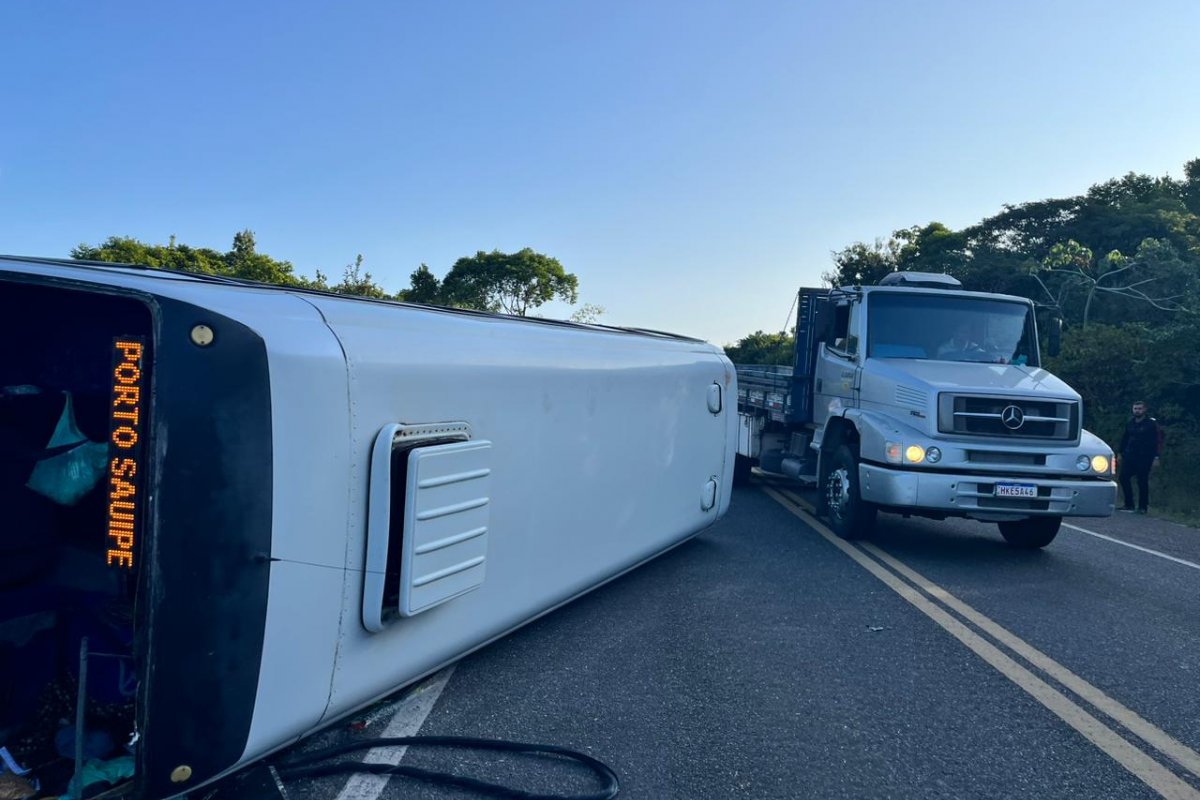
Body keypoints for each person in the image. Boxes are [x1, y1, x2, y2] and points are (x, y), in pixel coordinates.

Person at [1117, 400, 1164, 514]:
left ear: (1144, 410)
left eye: (1139, 408)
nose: (1137, 411)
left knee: (1142, 481)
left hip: (1145, 457)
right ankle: (1129, 504)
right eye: (1135, 408)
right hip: (1130, 455)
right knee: (1123, 477)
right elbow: (1125, 438)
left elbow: (1158, 441)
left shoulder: (1151, 424)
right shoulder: (1130, 423)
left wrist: (1156, 457)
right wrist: (1120, 453)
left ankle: (1143, 507)